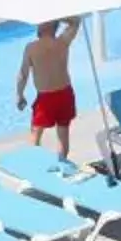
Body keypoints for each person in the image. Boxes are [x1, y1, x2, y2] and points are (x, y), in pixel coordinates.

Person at [16, 19, 82, 159]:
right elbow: (76, 22)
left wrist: (19, 94)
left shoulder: (31, 48)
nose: (37, 26)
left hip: (46, 99)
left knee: (35, 134)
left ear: (46, 25)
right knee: (63, 135)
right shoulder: (63, 42)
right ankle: (62, 162)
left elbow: (23, 74)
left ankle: (35, 162)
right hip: (65, 93)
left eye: (40, 23)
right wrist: (58, 16)